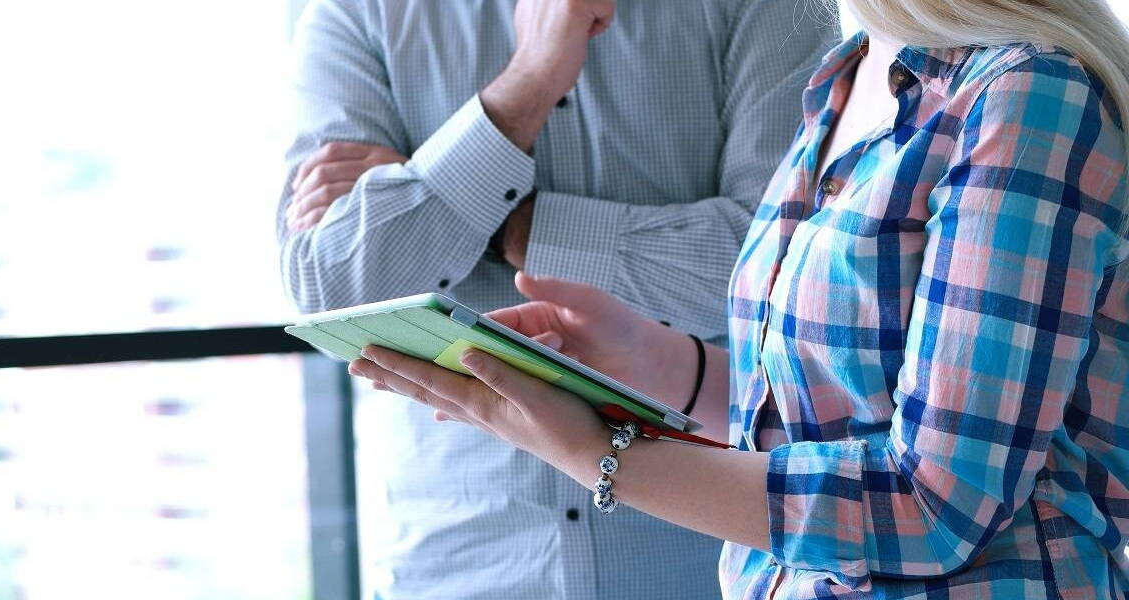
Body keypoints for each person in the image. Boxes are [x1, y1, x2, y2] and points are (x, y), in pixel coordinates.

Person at [348, 0, 1129, 597]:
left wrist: (593, 453)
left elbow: (934, 504)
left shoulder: (1028, 94)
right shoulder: (849, 74)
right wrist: (651, 360)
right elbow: (812, 416)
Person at [275, 0, 838, 597]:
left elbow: (784, 273)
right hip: (459, 561)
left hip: (707, 554)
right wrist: (531, 79)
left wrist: (483, 211)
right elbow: (333, 286)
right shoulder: (358, 14)